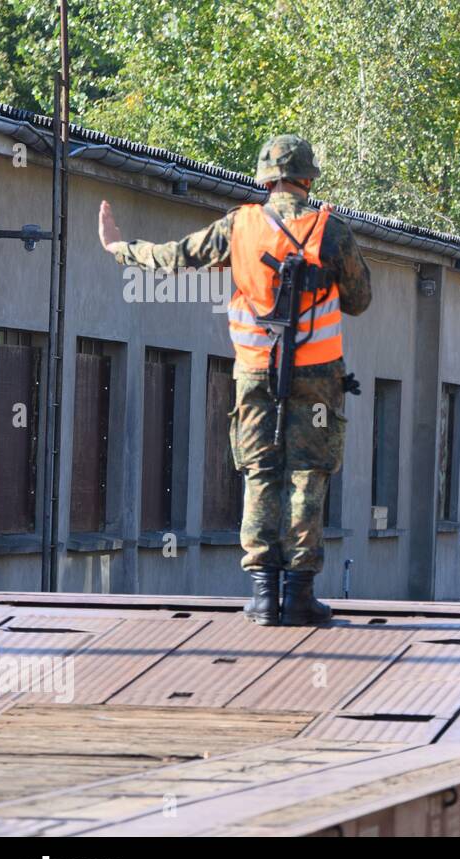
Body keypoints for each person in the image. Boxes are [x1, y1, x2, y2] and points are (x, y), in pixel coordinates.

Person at [98, 135, 372, 625]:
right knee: (308, 472)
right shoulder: (329, 230)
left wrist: (121, 247)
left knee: (261, 470)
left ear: (265, 179)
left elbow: (178, 256)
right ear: (308, 179)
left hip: (254, 371)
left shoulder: (240, 225)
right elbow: (359, 300)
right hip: (318, 379)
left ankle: (264, 595)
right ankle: (301, 593)